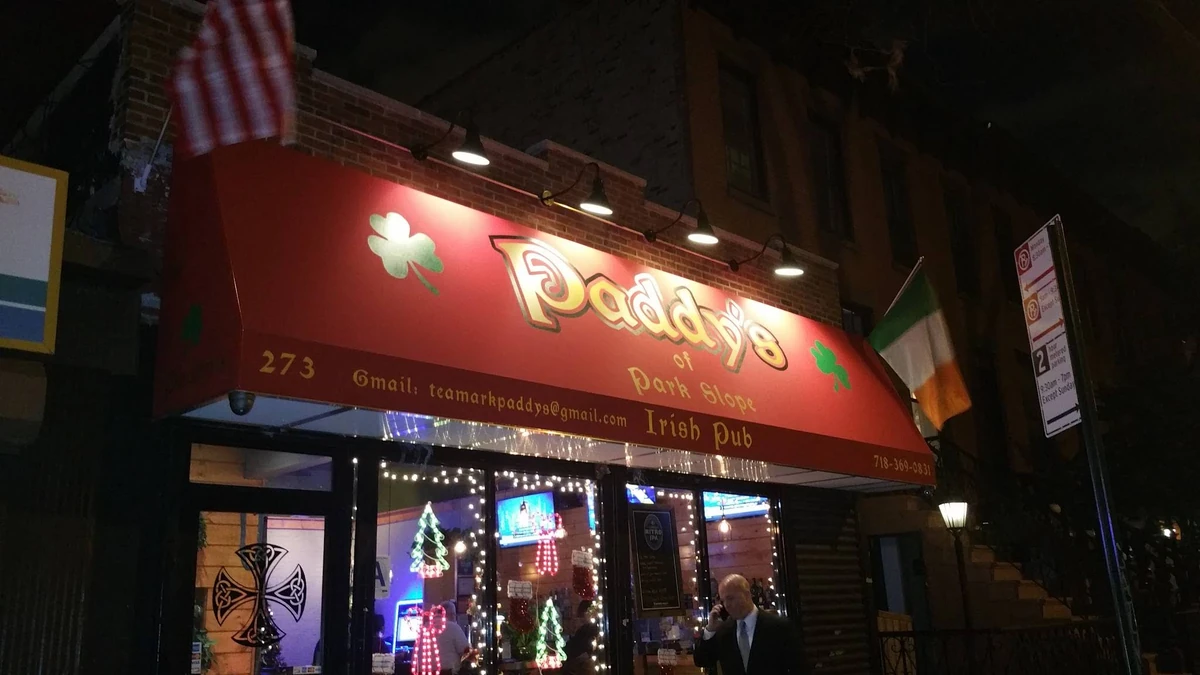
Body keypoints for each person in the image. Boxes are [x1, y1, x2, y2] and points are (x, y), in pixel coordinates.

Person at [693, 574, 803, 675]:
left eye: (730, 598)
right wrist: (710, 630)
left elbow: (798, 667)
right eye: (723, 600)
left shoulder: (779, 626)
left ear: (747, 595)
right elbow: (702, 660)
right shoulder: (724, 630)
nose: (726, 605)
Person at [436, 601, 471, 675]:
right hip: (446, 672)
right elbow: (465, 651)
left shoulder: (424, 628)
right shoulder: (452, 627)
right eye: (454, 614)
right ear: (451, 614)